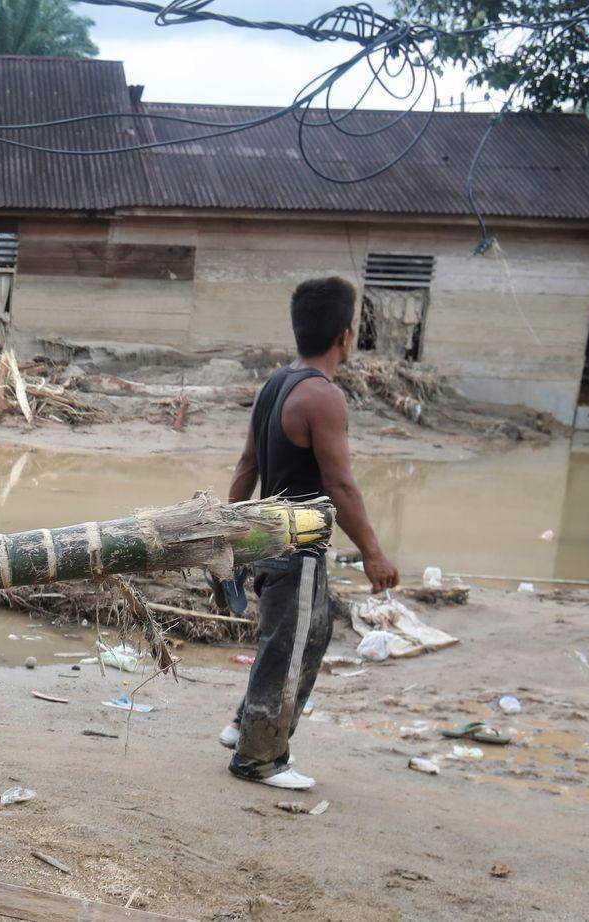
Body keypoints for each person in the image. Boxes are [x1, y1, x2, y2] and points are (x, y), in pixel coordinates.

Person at [221, 276, 400, 790]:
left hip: (270, 537)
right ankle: (259, 758)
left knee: (307, 635)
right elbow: (341, 486)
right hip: (296, 544)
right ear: (345, 336)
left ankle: (242, 725)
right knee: (291, 647)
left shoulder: (276, 384)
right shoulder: (322, 397)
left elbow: (246, 466)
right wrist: (373, 553)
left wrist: (233, 534)